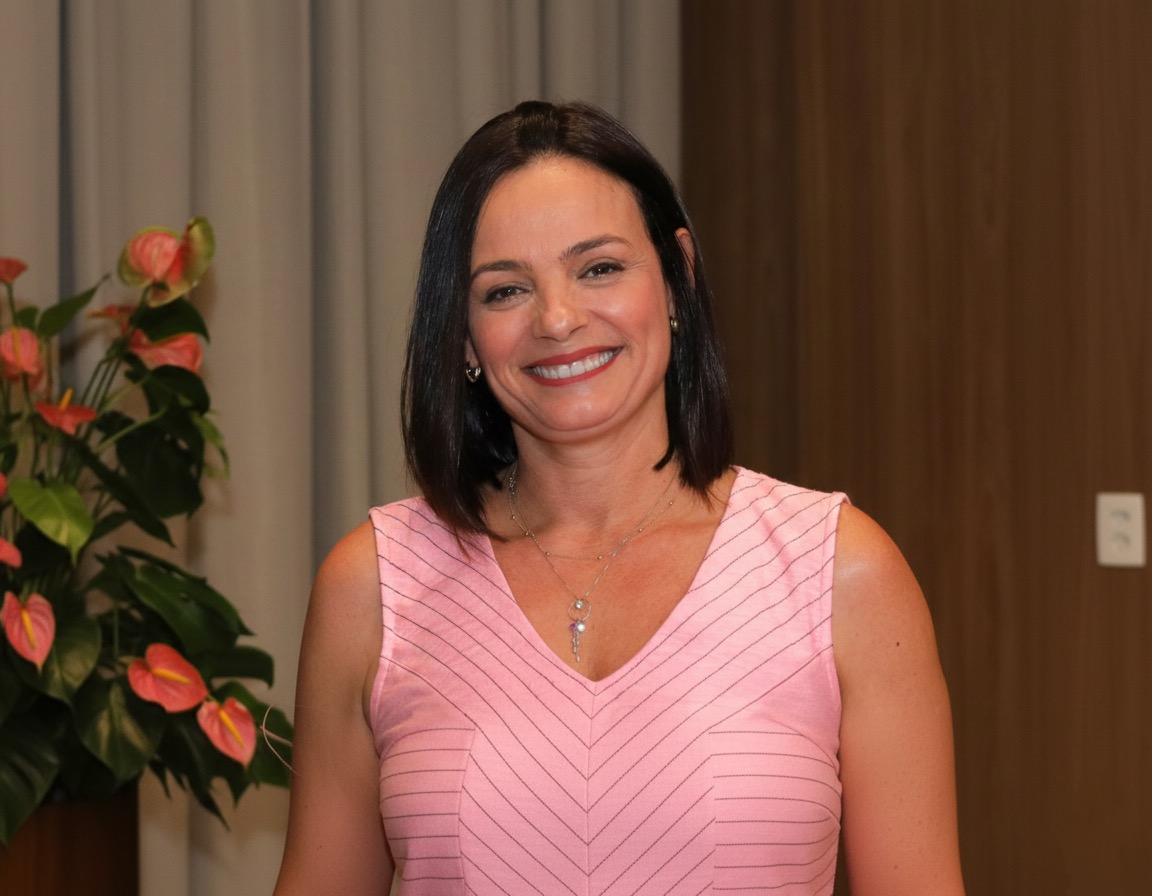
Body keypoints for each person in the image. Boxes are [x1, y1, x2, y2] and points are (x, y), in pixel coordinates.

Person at [274, 100, 965, 896]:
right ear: (462, 334)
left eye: (599, 268)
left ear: (677, 276)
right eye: (505, 290)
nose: (558, 319)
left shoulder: (840, 573)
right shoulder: (372, 587)